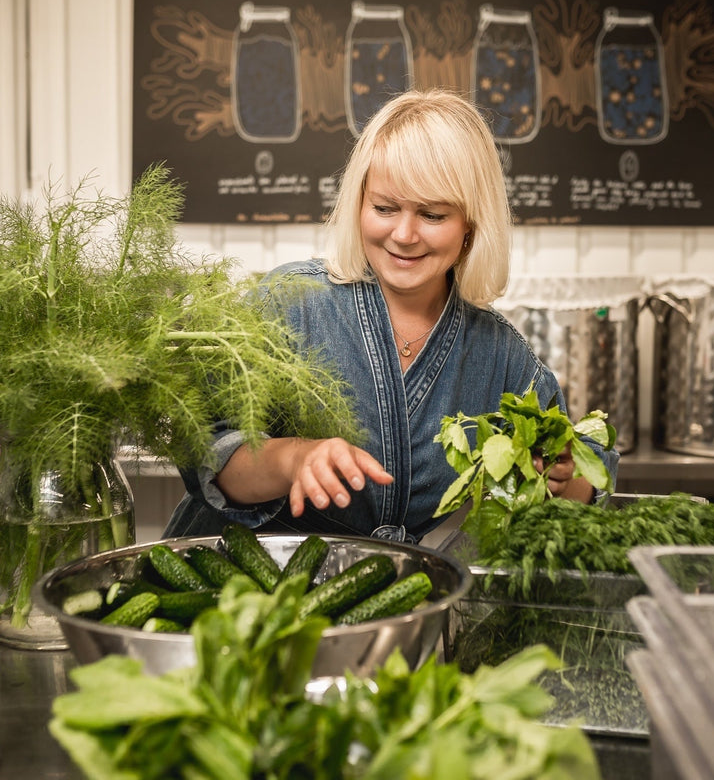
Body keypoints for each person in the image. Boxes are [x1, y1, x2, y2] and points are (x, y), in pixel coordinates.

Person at [163, 88, 618, 542]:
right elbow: (209, 449)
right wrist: (294, 459)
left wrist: (564, 478)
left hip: (382, 580)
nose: (404, 234)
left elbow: (583, 475)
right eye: (384, 208)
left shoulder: (500, 355)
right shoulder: (289, 303)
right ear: (359, 204)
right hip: (230, 570)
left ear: (471, 224)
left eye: (432, 215)